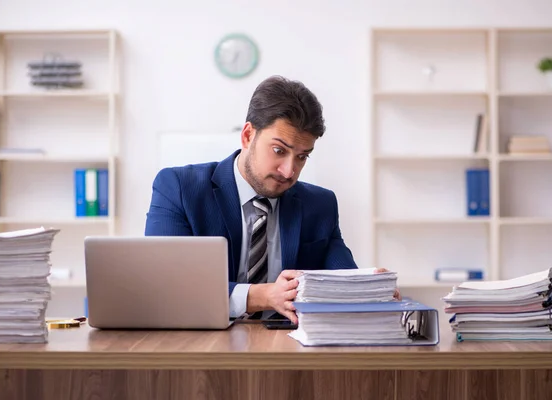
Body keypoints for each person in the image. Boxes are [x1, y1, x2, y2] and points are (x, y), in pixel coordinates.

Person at [145, 75, 398, 324]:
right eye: (279, 151)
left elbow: (342, 280)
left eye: (302, 157)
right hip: (199, 350)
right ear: (247, 136)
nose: (289, 171)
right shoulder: (179, 188)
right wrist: (260, 296)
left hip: (287, 351)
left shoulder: (320, 205)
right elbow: (165, 283)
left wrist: (369, 289)